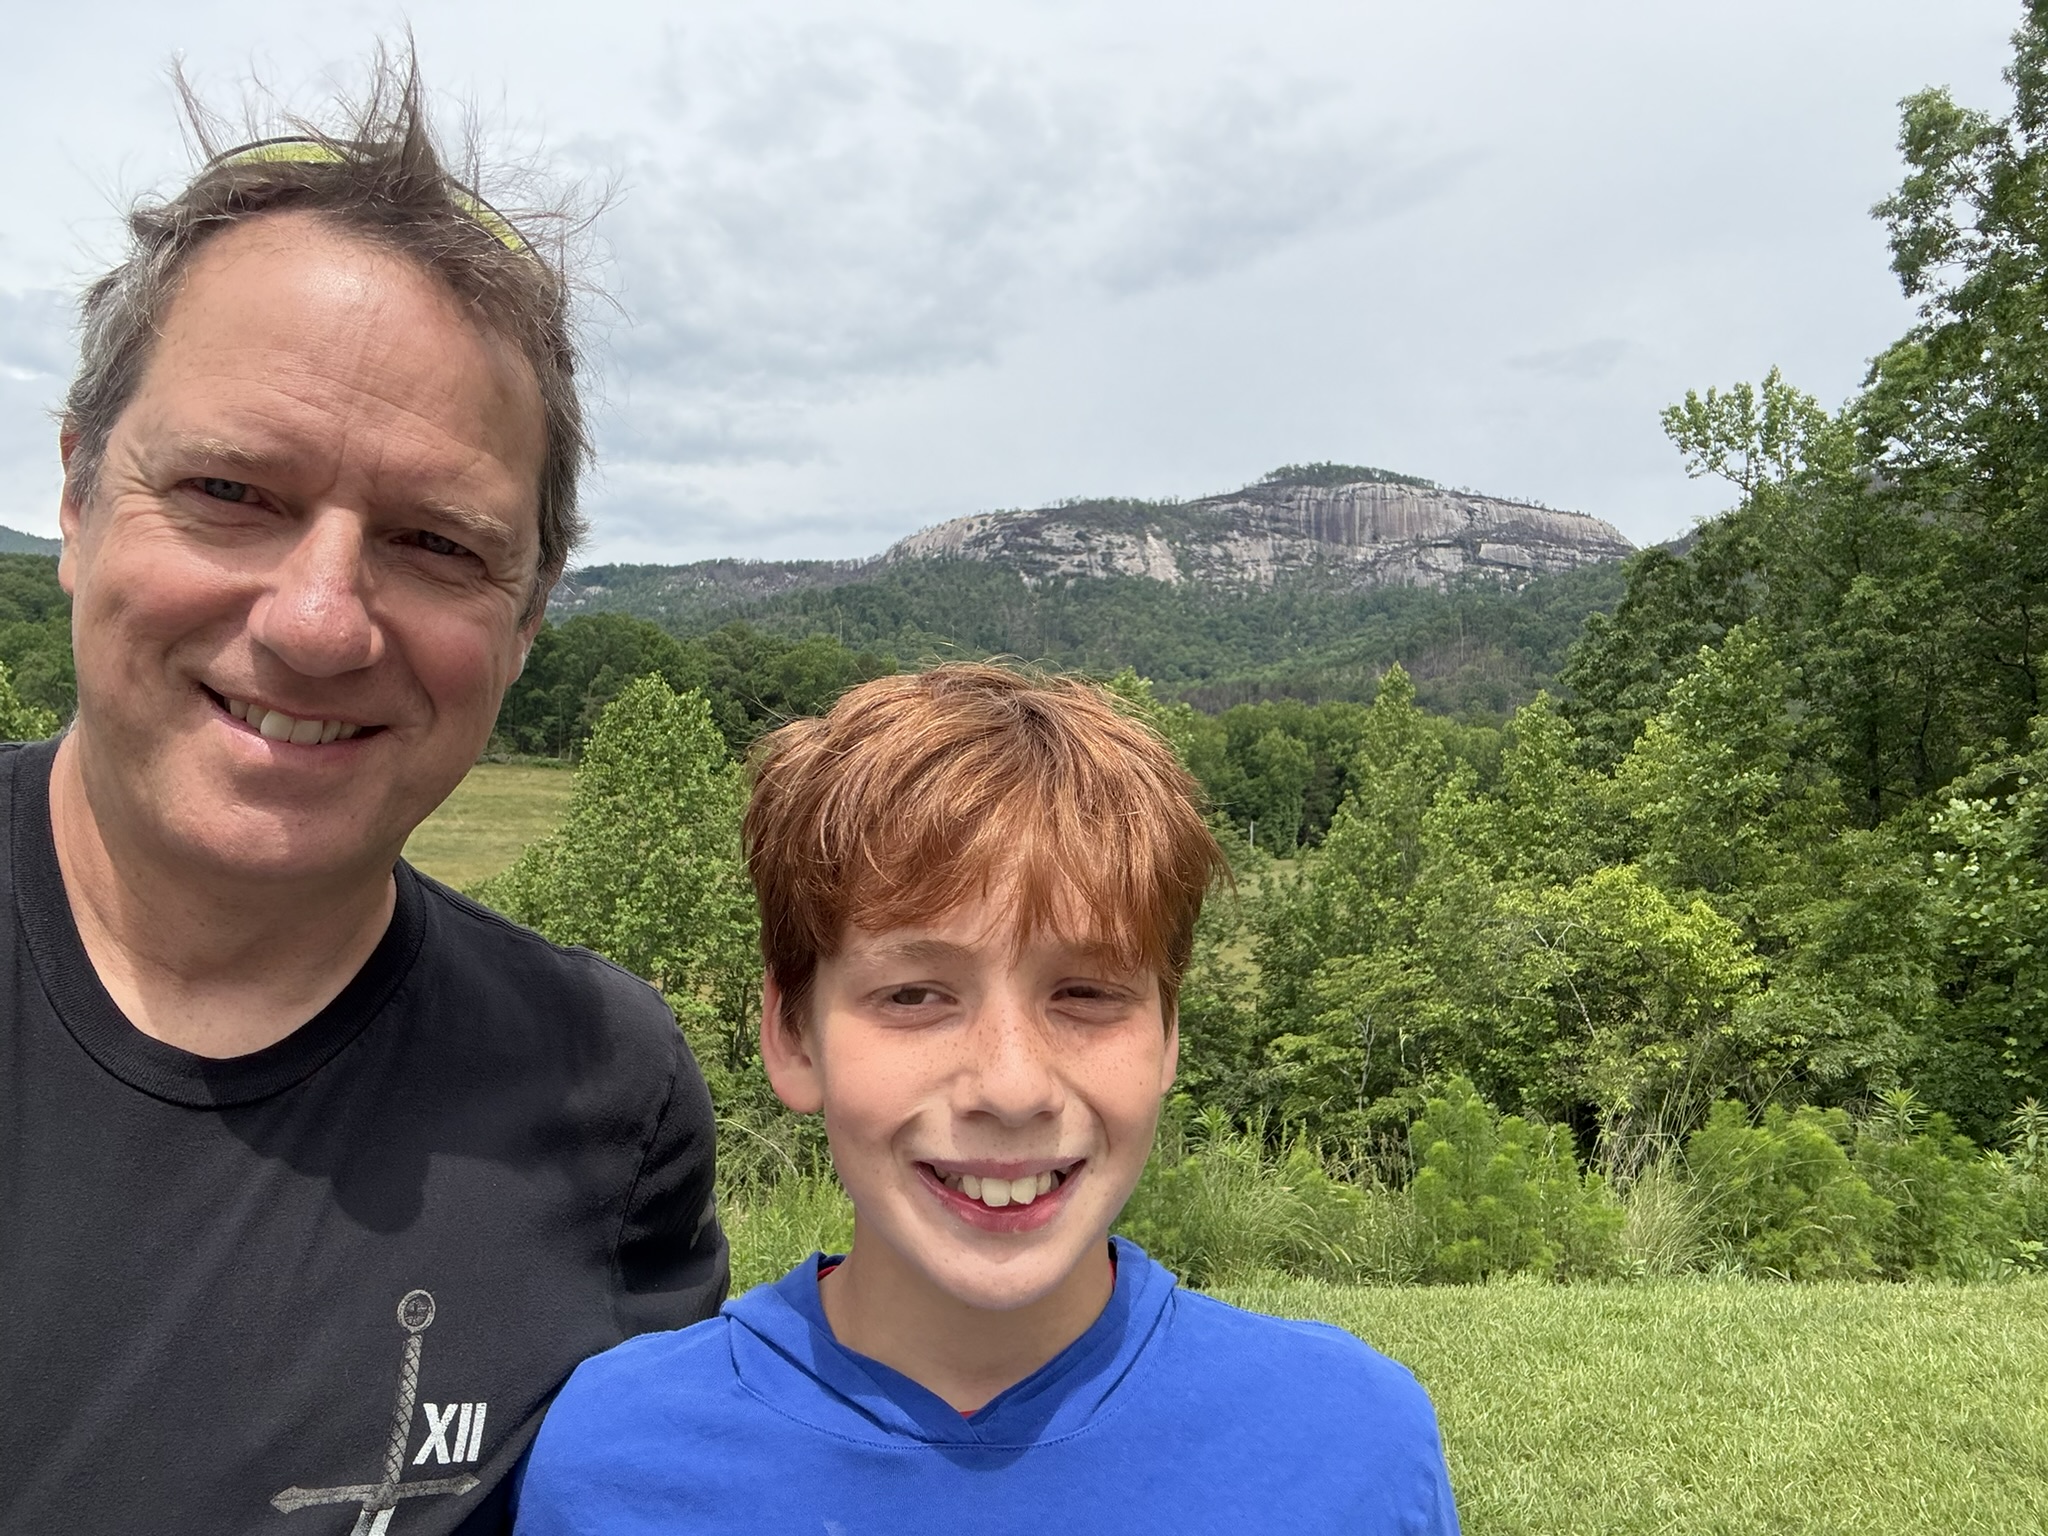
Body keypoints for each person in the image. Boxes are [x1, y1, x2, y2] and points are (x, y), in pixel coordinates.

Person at [0, 57, 727, 1536]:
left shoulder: (605, 1090)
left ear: (526, 624)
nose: (322, 621)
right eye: (230, 492)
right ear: (75, 498)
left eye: (435, 543)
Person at [512, 664, 1461, 1534]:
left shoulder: (1352, 1449)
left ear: (1170, 1037)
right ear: (793, 1036)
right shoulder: (616, 1458)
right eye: (915, 995)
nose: (1011, 1087)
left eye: (1086, 994)